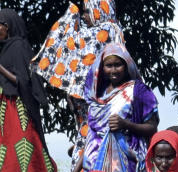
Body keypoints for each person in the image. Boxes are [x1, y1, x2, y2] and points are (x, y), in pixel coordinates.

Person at [0, 9, 61, 172]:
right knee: (3, 150)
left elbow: (23, 81)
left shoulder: (18, 47)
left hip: (16, 109)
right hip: (5, 109)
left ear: (6, 27)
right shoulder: (8, 47)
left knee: (21, 146)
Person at [69, 43, 158, 172]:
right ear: (102, 68)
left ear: (126, 65)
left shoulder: (137, 91)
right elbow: (92, 137)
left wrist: (126, 124)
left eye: (118, 65)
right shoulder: (97, 95)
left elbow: (152, 126)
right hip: (93, 165)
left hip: (125, 162)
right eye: (109, 66)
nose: (113, 70)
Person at [32, 1, 126, 158]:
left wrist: (71, 13)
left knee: (90, 160)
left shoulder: (106, 31)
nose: (83, 17)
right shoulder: (114, 29)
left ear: (99, 10)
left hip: (98, 115)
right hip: (101, 114)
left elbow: (71, 42)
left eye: (87, 12)